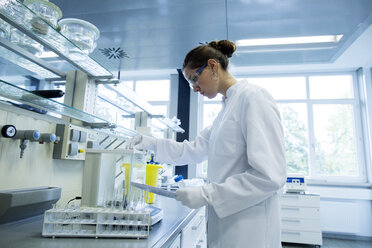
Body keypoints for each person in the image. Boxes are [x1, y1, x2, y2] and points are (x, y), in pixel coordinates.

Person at [128, 40, 287, 248]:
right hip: (229, 223)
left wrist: (207, 194)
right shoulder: (225, 111)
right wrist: (149, 143)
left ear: (213, 66)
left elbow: (271, 175)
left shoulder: (253, 98)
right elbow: (192, 150)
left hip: (251, 227)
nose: (194, 88)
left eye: (195, 78)